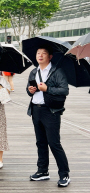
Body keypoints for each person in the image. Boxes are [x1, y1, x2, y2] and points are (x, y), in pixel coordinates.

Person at [26, 45, 70, 187]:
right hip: (36, 110)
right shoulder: (34, 71)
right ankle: (42, 171)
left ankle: (64, 174)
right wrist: (30, 90)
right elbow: (29, 90)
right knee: (41, 143)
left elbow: (64, 90)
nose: (40, 55)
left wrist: (48, 89)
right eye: (38, 53)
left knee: (54, 143)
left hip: (51, 112)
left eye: (44, 53)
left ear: (50, 56)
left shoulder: (57, 71)